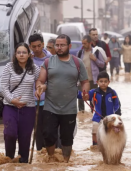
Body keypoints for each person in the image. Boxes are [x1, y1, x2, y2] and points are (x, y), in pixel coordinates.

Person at [35, 34, 90, 162]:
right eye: (57, 45)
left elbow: (85, 81)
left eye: (62, 45)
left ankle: (65, 162)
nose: (59, 48)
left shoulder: (77, 62)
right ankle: (51, 158)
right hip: (50, 106)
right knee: (48, 134)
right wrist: (40, 87)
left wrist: (85, 92)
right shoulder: (48, 62)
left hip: (69, 108)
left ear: (69, 46)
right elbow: (40, 80)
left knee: (67, 138)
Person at [1, 43, 40, 163]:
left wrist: (39, 89)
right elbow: (3, 87)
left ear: (29, 55)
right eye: (19, 52)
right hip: (10, 107)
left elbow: (41, 82)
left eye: (24, 52)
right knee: (10, 134)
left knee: (25, 139)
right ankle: (9, 160)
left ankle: (23, 166)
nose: (21, 55)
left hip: (28, 108)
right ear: (15, 54)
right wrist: (12, 100)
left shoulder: (35, 69)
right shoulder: (9, 67)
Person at [77, 72, 121, 148]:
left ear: (109, 82)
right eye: (101, 81)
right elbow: (85, 96)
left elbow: (117, 105)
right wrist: (77, 93)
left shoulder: (113, 93)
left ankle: (112, 146)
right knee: (95, 130)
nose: (103, 83)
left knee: (112, 133)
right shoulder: (94, 92)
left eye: (105, 81)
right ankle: (95, 146)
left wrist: (117, 116)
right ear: (97, 82)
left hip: (110, 119)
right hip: (97, 117)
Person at [28, 33, 52, 151]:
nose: (37, 49)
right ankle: (40, 155)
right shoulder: (27, 61)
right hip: (32, 102)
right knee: (37, 131)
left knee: (49, 131)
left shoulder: (51, 59)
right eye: (34, 47)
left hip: (48, 101)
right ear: (30, 47)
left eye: (39, 46)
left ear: (43, 44)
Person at [76, 35, 105, 112]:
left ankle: (93, 115)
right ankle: (81, 116)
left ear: (90, 43)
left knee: (92, 99)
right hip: (82, 80)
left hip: (93, 80)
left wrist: (95, 59)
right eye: (82, 43)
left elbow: (102, 64)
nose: (83, 45)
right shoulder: (79, 53)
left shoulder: (96, 52)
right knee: (81, 99)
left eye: (85, 43)